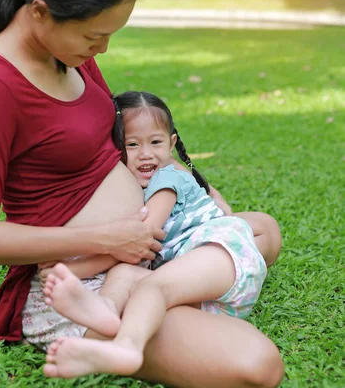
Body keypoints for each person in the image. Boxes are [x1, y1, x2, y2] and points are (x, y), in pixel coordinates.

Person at [0, 0, 284, 388]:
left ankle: (157, 298)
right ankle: (106, 314)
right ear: (41, 11)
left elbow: (111, 148)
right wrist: (108, 239)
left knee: (264, 231)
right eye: (95, 35)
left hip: (141, 246)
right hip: (83, 280)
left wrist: (176, 183)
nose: (102, 49)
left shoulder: (67, 51)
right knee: (257, 365)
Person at [40, 91, 268, 378]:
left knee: (151, 286)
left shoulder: (166, 179)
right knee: (124, 273)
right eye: (132, 144)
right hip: (203, 295)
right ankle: (106, 309)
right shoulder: (137, 188)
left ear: (171, 144)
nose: (145, 153)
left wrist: (74, 269)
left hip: (221, 250)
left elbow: (144, 238)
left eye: (155, 142)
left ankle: (127, 347)